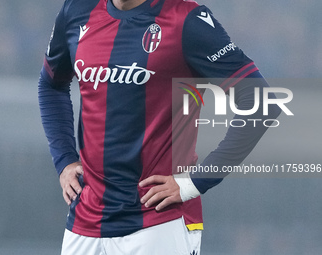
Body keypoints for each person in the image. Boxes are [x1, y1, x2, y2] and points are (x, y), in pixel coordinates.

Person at [38, 0, 281, 254]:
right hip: (85, 221)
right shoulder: (77, 10)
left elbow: (261, 102)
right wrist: (64, 159)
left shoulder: (186, 19)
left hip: (159, 222)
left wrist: (195, 182)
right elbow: (51, 84)